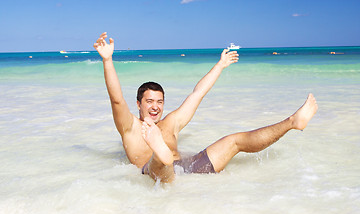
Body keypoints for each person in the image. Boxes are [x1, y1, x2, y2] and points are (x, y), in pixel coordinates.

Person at [93, 32, 318, 183]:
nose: (155, 107)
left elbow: (197, 94)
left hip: (189, 168)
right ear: (139, 103)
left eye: (159, 102)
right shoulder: (130, 127)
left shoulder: (170, 123)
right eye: (149, 101)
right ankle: (160, 154)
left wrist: (220, 65)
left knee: (234, 141)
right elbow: (116, 100)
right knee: (161, 162)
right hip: (155, 172)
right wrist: (107, 61)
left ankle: (291, 122)